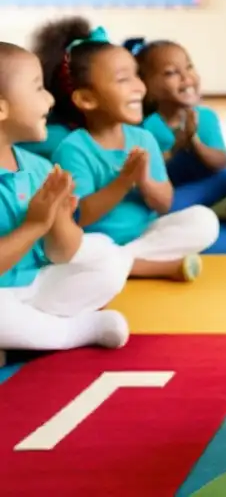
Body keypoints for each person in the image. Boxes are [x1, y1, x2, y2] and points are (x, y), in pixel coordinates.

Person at [36, 18, 219, 282]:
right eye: (123, 80)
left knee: (204, 221)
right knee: (79, 250)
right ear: (87, 99)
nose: (139, 87)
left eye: (137, 76)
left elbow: (165, 203)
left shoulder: (143, 138)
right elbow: (78, 217)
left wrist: (144, 181)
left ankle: (126, 261)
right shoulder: (73, 148)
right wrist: (123, 181)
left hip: (143, 235)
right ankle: (139, 265)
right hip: (94, 239)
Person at [0, 42, 131, 365]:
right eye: (38, 88)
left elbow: (62, 253)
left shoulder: (40, 169)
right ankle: (74, 332)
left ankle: (28, 334)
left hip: (37, 287)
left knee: (109, 257)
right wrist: (33, 225)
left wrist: (59, 217)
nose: (50, 99)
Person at [130, 38, 226, 218]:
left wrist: (194, 142)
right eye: (171, 73)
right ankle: (211, 210)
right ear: (147, 86)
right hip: (172, 195)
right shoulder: (145, 126)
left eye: (189, 67)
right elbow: (148, 176)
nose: (186, 77)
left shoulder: (205, 117)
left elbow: (221, 163)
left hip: (209, 185)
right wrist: (177, 148)